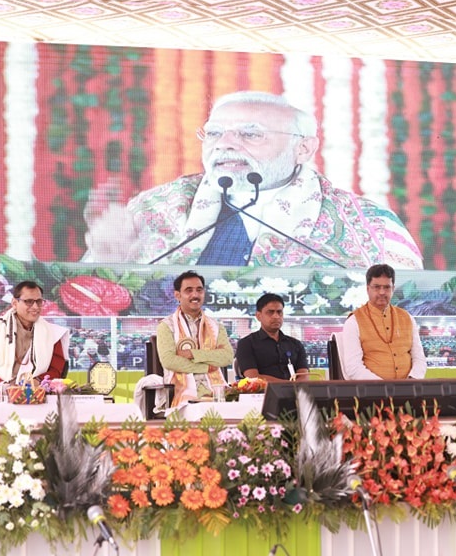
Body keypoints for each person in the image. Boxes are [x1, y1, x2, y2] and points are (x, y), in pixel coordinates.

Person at [82, 90, 423, 269]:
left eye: (250, 134)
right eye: (214, 133)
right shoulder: (153, 208)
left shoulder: (372, 226)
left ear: (303, 148)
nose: (225, 144)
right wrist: (104, 262)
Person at [0, 281, 68, 403]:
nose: (35, 307)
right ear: (14, 303)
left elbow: (56, 369)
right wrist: (4, 385)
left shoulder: (52, 333)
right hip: (1, 394)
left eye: (39, 301)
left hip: (37, 394)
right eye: (28, 301)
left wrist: (38, 380)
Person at [156, 270, 233, 405]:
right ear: (177, 295)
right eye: (189, 290)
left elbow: (226, 357)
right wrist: (207, 367)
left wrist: (193, 353)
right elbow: (169, 361)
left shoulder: (216, 326)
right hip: (181, 393)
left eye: (199, 290)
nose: (195, 295)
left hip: (215, 392)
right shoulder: (167, 326)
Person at [339, 264, 427, 380]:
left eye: (386, 287)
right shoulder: (354, 321)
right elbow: (353, 367)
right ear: (367, 288)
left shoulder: (407, 318)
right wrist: (383, 388)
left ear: (393, 289)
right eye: (376, 287)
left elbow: (419, 358)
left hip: (408, 392)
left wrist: (412, 380)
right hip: (373, 394)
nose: (382, 292)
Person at [235, 293, 310, 382]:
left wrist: (292, 388)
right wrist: (286, 386)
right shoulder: (246, 343)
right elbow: (252, 377)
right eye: (270, 312)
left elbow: (304, 375)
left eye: (279, 312)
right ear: (258, 316)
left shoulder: (295, 344)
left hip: (295, 393)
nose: (276, 316)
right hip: (262, 393)